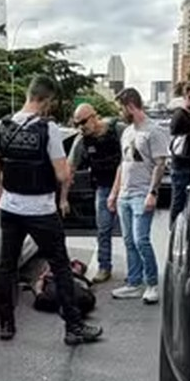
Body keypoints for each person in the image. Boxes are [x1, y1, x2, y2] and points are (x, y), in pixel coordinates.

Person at [0, 76, 104, 346]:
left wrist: (5, 199)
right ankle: (73, 328)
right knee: (60, 266)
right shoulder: (47, 129)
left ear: (29, 95)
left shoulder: (2, 127)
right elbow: (63, 173)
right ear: (46, 100)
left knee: (7, 267)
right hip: (40, 209)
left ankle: (6, 324)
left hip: (10, 208)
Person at [109, 87, 170, 304]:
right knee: (128, 241)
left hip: (142, 193)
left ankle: (151, 283)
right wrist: (114, 193)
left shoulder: (154, 131)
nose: (119, 113)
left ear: (130, 106)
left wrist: (153, 193)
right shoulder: (127, 132)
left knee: (141, 239)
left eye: (120, 109)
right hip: (125, 194)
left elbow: (160, 164)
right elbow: (123, 164)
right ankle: (134, 283)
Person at [68, 104, 124, 284]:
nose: (80, 127)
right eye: (77, 124)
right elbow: (70, 168)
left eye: (83, 122)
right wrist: (63, 197)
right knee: (103, 229)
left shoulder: (118, 130)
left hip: (127, 188)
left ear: (94, 117)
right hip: (103, 188)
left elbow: (132, 157)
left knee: (133, 235)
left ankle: (137, 274)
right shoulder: (82, 140)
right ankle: (104, 267)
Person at [169, 82, 190, 223]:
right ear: (185, 97)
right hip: (181, 165)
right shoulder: (179, 115)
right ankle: (174, 229)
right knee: (179, 201)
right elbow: (174, 139)